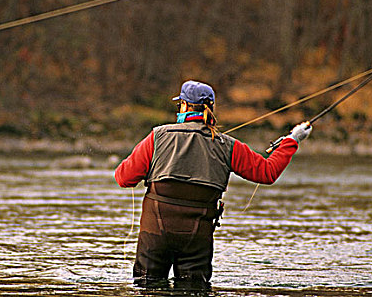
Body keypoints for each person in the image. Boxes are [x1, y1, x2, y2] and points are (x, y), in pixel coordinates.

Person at [114, 80, 312, 287]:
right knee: (193, 290)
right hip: (197, 237)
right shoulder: (229, 146)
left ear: (183, 106)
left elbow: (123, 178)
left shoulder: (158, 137)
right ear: (211, 108)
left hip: (155, 234)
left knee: (148, 287)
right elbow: (267, 172)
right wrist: (292, 140)